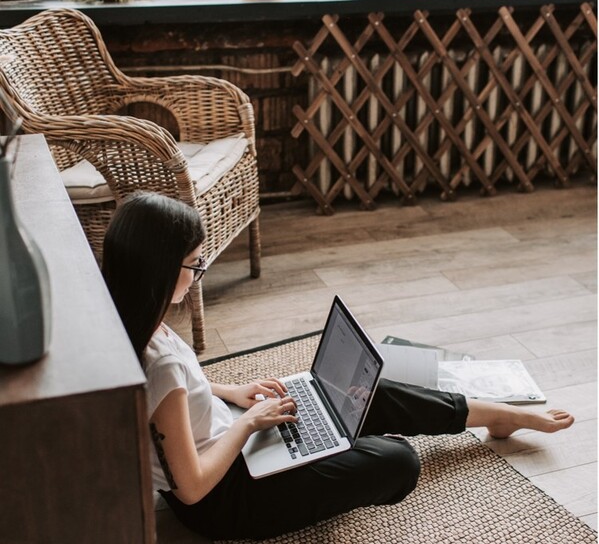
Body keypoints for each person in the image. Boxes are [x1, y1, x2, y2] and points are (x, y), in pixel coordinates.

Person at [102, 191, 575, 541]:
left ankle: (494, 414)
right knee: (397, 461)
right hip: (225, 500)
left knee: (366, 392)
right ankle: (330, 444)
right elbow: (192, 489)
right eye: (194, 264)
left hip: (229, 444)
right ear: (162, 269)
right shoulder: (156, 360)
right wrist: (248, 425)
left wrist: (231, 392)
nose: (199, 271)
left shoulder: (132, 319)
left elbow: (177, 392)